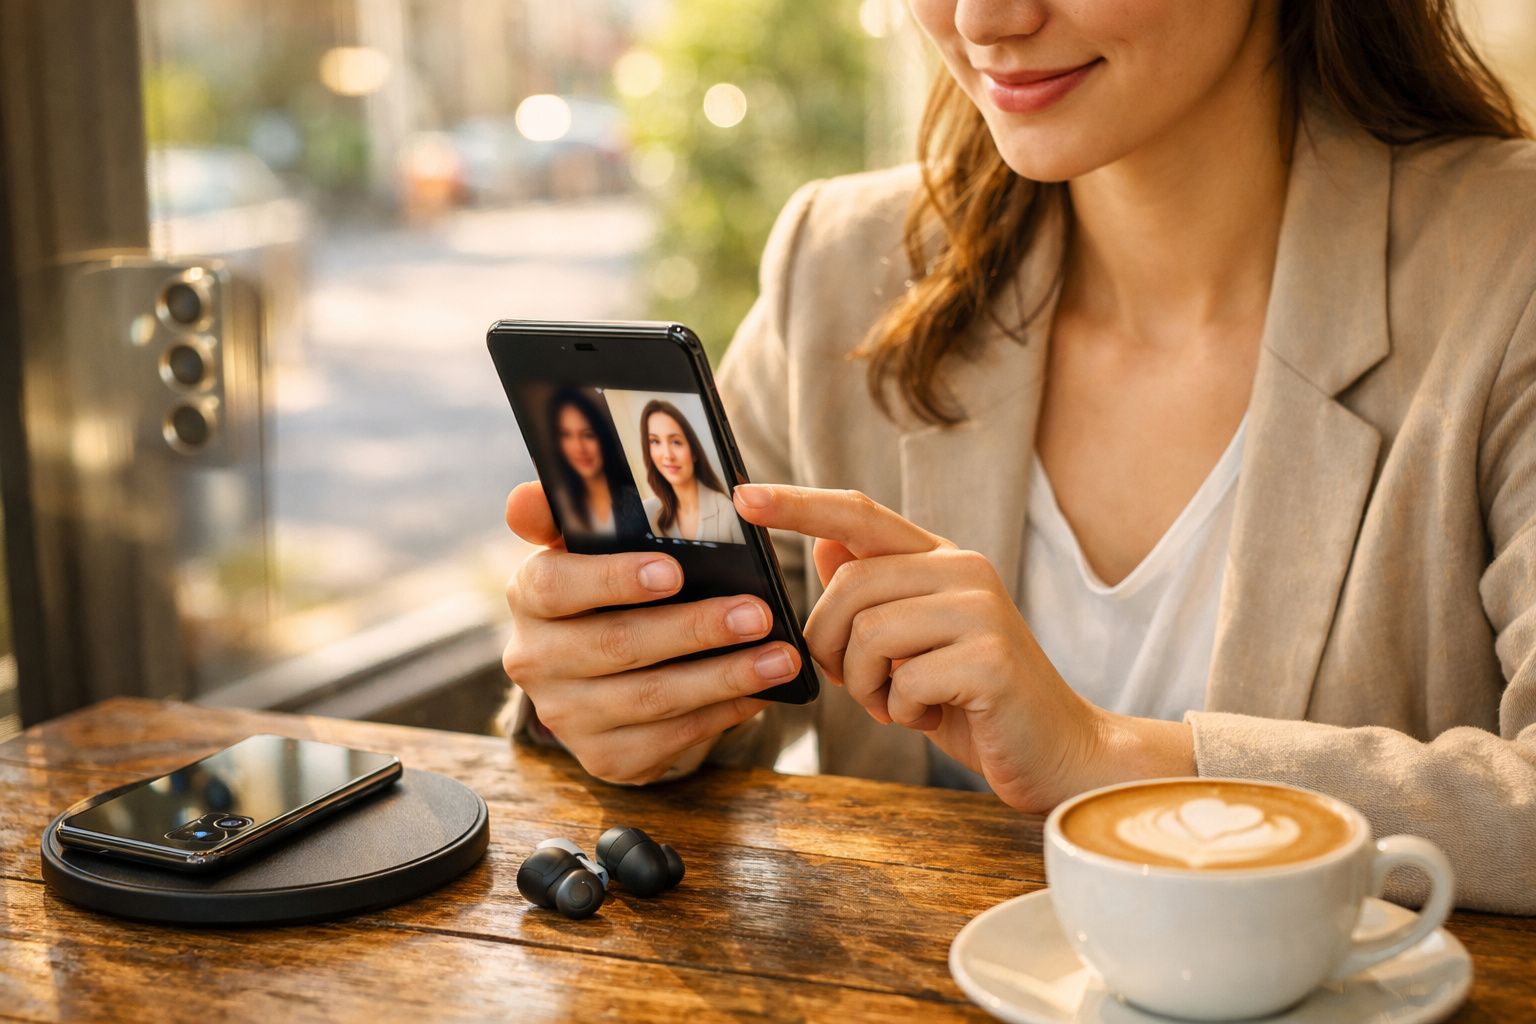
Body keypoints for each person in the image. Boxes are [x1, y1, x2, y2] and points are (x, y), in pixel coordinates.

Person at [499, 0, 1536, 915]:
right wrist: (623, 701)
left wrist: (1108, 759)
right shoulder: (842, 261)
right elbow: (718, 691)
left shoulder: (1506, 264)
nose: (986, 17)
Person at [638, 400, 747, 545]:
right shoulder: (646, 513)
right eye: (655, 441)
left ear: (694, 451)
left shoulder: (728, 512)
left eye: (676, 442)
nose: (667, 455)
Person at [546, 388, 648, 538]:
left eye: (588, 435)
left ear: (603, 438)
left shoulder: (638, 502)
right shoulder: (561, 506)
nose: (579, 448)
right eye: (567, 435)